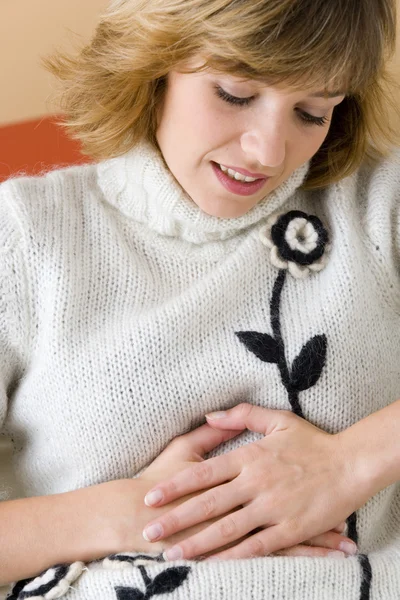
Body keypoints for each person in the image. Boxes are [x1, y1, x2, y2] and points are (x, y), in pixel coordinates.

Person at [1, 0, 400, 598]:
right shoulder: (26, 233)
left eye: (312, 112)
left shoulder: (379, 206)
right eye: (235, 94)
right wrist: (134, 513)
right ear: (155, 62)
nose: (269, 150)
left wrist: (352, 462)